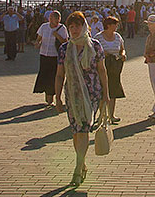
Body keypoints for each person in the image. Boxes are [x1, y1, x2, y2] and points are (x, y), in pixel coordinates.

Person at [55, 11, 109, 187]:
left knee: (84, 128)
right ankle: (82, 161)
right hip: (72, 95)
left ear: (84, 26)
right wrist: (57, 98)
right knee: (76, 131)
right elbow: (59, 75)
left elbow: (102, 70)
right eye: (71, 26)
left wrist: (106, 94)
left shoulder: (94, 46)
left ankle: (78, 168)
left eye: (78, 25)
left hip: (92, 94)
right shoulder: (64, 49)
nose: (74, 29)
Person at [34, 10, 68, 107]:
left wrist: (57, 35)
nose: (57, 20)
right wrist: (37, 43)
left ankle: (51, 98)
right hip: (44, 54)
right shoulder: (44, 27)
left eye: (58, 18)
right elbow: (39, 38)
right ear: (50, 19)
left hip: (55, 56)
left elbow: (65, 42)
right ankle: (47, 95)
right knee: (44, 74)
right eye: (54, 18)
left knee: (53, 76)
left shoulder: (62, 28)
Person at [98, 15, 126, 124]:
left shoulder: (118, 36)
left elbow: (122, 49)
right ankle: (102, 115)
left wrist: (123, 55)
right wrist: (102, 53)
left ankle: (111, 115)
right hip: (102, 66)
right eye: (115, 24)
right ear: (108, 25)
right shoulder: (98, 37)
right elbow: (93, 50)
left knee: (113, 89)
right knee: (102, 89)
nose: (116, 26)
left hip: (115, 66)